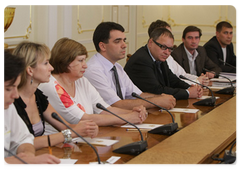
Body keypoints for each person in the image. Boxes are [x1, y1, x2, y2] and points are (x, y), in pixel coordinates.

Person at [39, 37, 147, 134]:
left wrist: (135, 112)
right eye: (80, 61)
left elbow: (105, 109)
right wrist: (128, 117)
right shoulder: (52, 86)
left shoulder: (82, 80)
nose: (85, 65)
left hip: (84, 139)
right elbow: (83, 119)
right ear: (65, 61)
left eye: (84, 60)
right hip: (57, 146)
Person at [12, 41, 99, 150]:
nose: (51, 68)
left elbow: (64, 127)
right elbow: (22, 143)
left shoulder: (38, 96)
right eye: (46, 63)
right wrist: (70, 133)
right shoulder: (11, 101)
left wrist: (87, 127)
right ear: (30, 70)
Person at [84, 21, 176, 110]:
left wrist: (162, 97)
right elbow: (116, 105)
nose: (124, 45)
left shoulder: (117, 67)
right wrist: (157, 101)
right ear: (102, 46)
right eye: (117, 41)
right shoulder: (93, 70)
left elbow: (137, 95)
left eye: (124, 40)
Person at [2, 50, 60, 165]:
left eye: (16, 87)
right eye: (9, 89)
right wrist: (20, 162)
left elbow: (23, 139)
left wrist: (28, 155)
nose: (16, 95)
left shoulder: (7, 107)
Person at [125, 27, 203, 100]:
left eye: (170, 49)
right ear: (151, 42)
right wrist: (188, 93)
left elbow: (172, 79)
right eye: (163, 47)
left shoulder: (159, 57)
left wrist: (190, 87)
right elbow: (156, 91)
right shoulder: (142, 60)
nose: (167, 52)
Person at [148, 20, 209, 86]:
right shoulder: (148, 59)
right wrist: (196, 81)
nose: (171, 37)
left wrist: (200, 79)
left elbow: (182, 75)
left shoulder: (168, 56)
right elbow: (171, 83)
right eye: (168, 34)